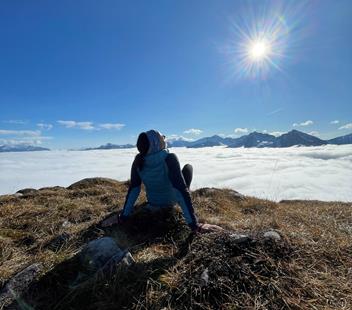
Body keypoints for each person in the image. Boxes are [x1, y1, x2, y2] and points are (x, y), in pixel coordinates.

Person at [103, 129, 201, 232]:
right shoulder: (169, 158)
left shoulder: (138, 161)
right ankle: (189, 193)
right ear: (156, 143)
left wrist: (123, 216)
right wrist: (194, 225)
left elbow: (134, 190)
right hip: (172, 201)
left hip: (152, 204)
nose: (164, 139)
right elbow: (180, 190)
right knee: (188, 168)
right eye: (162, 138)